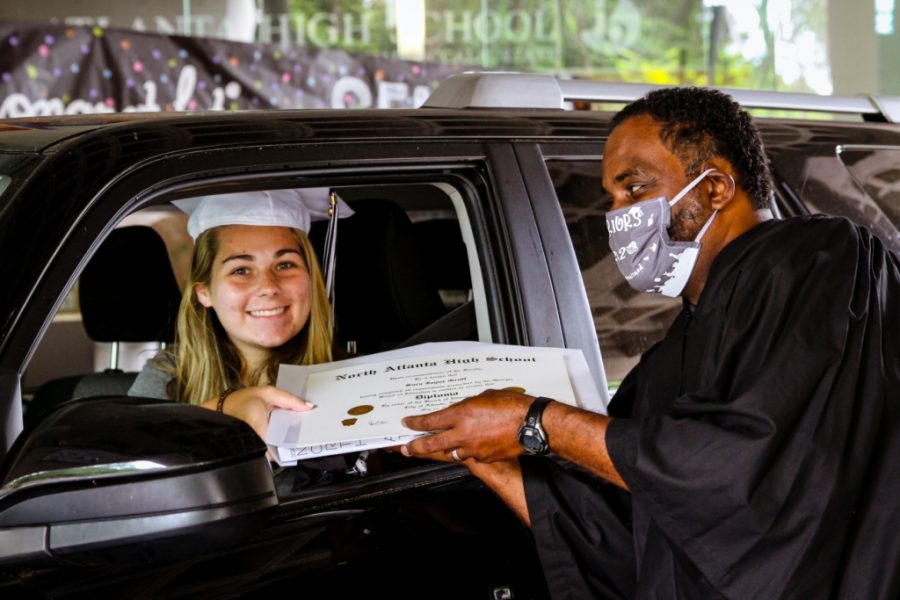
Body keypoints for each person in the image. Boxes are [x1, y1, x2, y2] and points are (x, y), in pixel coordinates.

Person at [400, 87, 900, 599]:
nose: (615, 216)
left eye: (635, 189)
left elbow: (736, 470)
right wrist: (483, 450)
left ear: (716, 188)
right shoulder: (676, 350)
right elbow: (634, 531)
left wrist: (533, 420)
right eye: (611, 198)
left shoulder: (821, 261)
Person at [129, 189, 340, 444]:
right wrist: (223, 408)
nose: (268, 287)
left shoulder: (363, 380)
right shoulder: (169, 376)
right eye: (241, 270)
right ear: (204, 292)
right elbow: (130, 460)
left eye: (285, 265)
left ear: (311, 279)